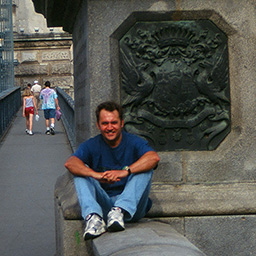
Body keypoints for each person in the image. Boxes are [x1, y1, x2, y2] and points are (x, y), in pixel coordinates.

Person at [65, 101, 160, 240]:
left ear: (121, 123)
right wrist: (95, 175)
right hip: (106, 205)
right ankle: (93, 217)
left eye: (114, 123)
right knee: (80, 172)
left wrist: (125, 171)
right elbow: (70, 163)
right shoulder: (92, 144)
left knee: (146, 168)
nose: (110, 127)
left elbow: (154, 157)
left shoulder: (134, 141)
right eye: (105, 123)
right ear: (98, 125)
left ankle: (120, 210)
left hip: (132, 209)